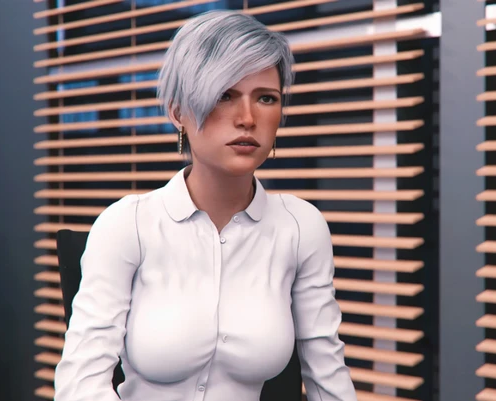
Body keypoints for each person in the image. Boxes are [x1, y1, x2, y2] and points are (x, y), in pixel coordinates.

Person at [53, 9, 358, 401]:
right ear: (178, 111)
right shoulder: (126, 224)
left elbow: (329, 378)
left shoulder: (301, 227)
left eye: (266, 98)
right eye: (224, 96)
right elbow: (80, 386)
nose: (247, 118)